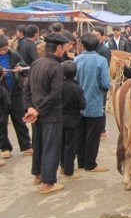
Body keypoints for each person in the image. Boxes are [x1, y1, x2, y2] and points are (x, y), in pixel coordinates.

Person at [23, 32, 70, 194]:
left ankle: (38, 174)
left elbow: (27, 89)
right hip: (50, 114)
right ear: (58, 48)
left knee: (38, 144)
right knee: (51, 147)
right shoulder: (56, 67)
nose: (64, 50)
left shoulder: (36, 63)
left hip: (37, 114)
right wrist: (37, 110)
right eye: (64, 47)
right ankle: (47, 182)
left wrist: (30, 108)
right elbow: (55, 93)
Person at [74, 33, 111, 172]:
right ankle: (90, 164)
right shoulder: (101, 60)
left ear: (82, 45)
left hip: (78, 103)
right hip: (94, 102)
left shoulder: (76, 60)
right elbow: (105, 83)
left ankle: (81, 161)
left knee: (81, 133)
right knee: (93, 135)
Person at [0, 35, 32, 159]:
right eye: (1, 49)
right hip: (2, 94)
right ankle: (5, 148)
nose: (3, 51)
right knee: (2, 121)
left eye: (4, 48)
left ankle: (26, 145)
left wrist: (20, 69)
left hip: (15, 92)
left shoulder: (15, 55)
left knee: (20, 119)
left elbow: (25, 68)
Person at [60, 60, 86, 179]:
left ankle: (63, 166)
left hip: (59, 118)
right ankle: (69, 170)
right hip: (73, 120)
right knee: (71, 146)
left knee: (61, 144)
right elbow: (82, 105)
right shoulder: (77, 88)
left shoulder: (58, 85)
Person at [0, 65, 11, 167]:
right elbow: (8, 103)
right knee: (2, 133)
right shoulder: (3, 90)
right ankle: (5, 149)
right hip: (2, 115)